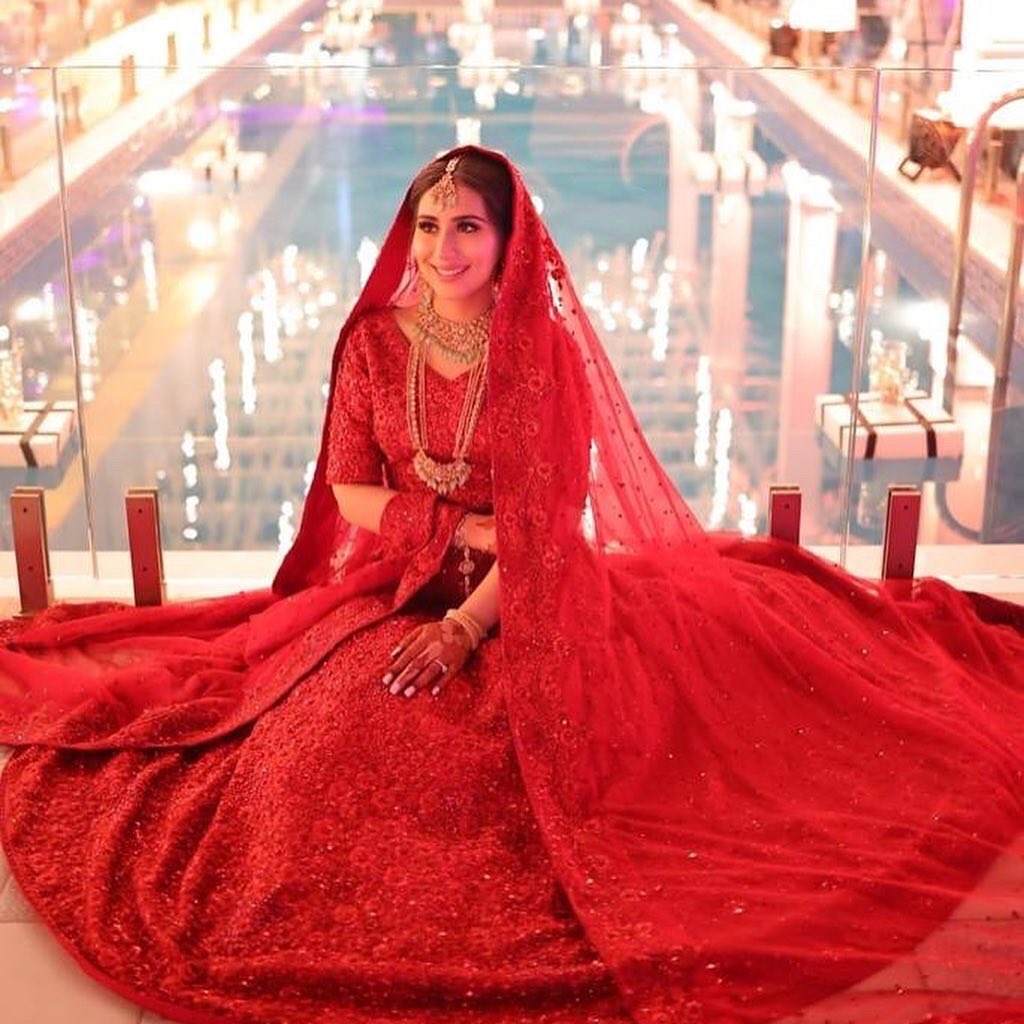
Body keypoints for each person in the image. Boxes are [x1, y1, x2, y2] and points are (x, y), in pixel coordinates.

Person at [0, 145, 1022, 1024]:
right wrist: (445, 527)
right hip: (397, 581)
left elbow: (547, 529)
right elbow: (350, 488)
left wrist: (468, 627)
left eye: (468, 228)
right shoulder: (368, 344)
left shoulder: (545, 359)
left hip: (529, 592)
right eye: (428, 223)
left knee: (507, 759)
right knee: (311, 745)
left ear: (508, 239)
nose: (442, 249)